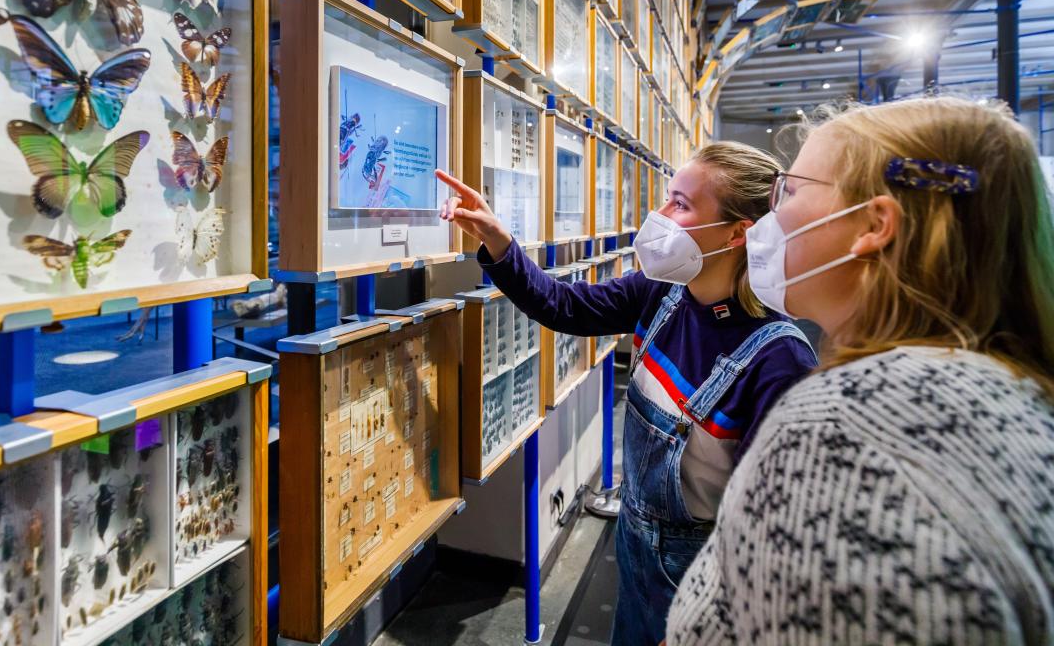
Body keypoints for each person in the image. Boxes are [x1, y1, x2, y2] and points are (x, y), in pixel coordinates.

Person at [667, 97, 1054, 644]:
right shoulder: (1000, 394)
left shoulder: (843, 434)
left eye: (793, 191)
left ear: (874, 225)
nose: (769, 220)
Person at [436, 142, 818, 644]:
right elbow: (565, 307)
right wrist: (499, 242)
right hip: (635, 549)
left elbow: (771, 532)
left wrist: (716, 625)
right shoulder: (662, 293)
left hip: (699, 580)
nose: (659, 216)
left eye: (680, 204)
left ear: (737, 234)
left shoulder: (779, 360)